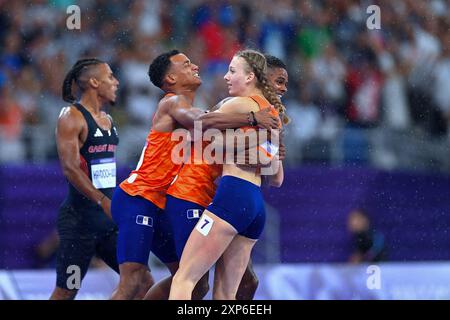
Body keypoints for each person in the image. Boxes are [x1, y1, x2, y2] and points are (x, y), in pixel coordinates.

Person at [110, 50, 279, 300]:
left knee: (195, 283)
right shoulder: (173, 102)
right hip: (141, 197)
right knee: (136, 279)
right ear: (170, 78)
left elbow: (217, 138)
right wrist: (255, 120)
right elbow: (204, 124)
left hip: (167, 201)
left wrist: (265, 147)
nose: (195, 66)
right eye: (186, 64)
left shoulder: (208, 111)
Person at [169, 49, 288, 300]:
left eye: (232, 71)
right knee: (226, 296)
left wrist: (246, 138)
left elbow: (200, 129)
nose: (226, 77)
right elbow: (277, 178)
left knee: (184, 278)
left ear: (250, 78)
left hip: (232, 196)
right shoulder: (273, 116)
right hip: (255, 206)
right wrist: (260, 142)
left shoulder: (238, 104)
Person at [50, 58, 120, 300]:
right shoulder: (71, 116)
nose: (116, 82)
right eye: (110, 76)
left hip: (109, 224)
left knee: (140, 279)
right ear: (94, 82)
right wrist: (102, 200)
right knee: (68, 290)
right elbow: (70, 168)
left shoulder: (108, 120)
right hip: (80, 223)